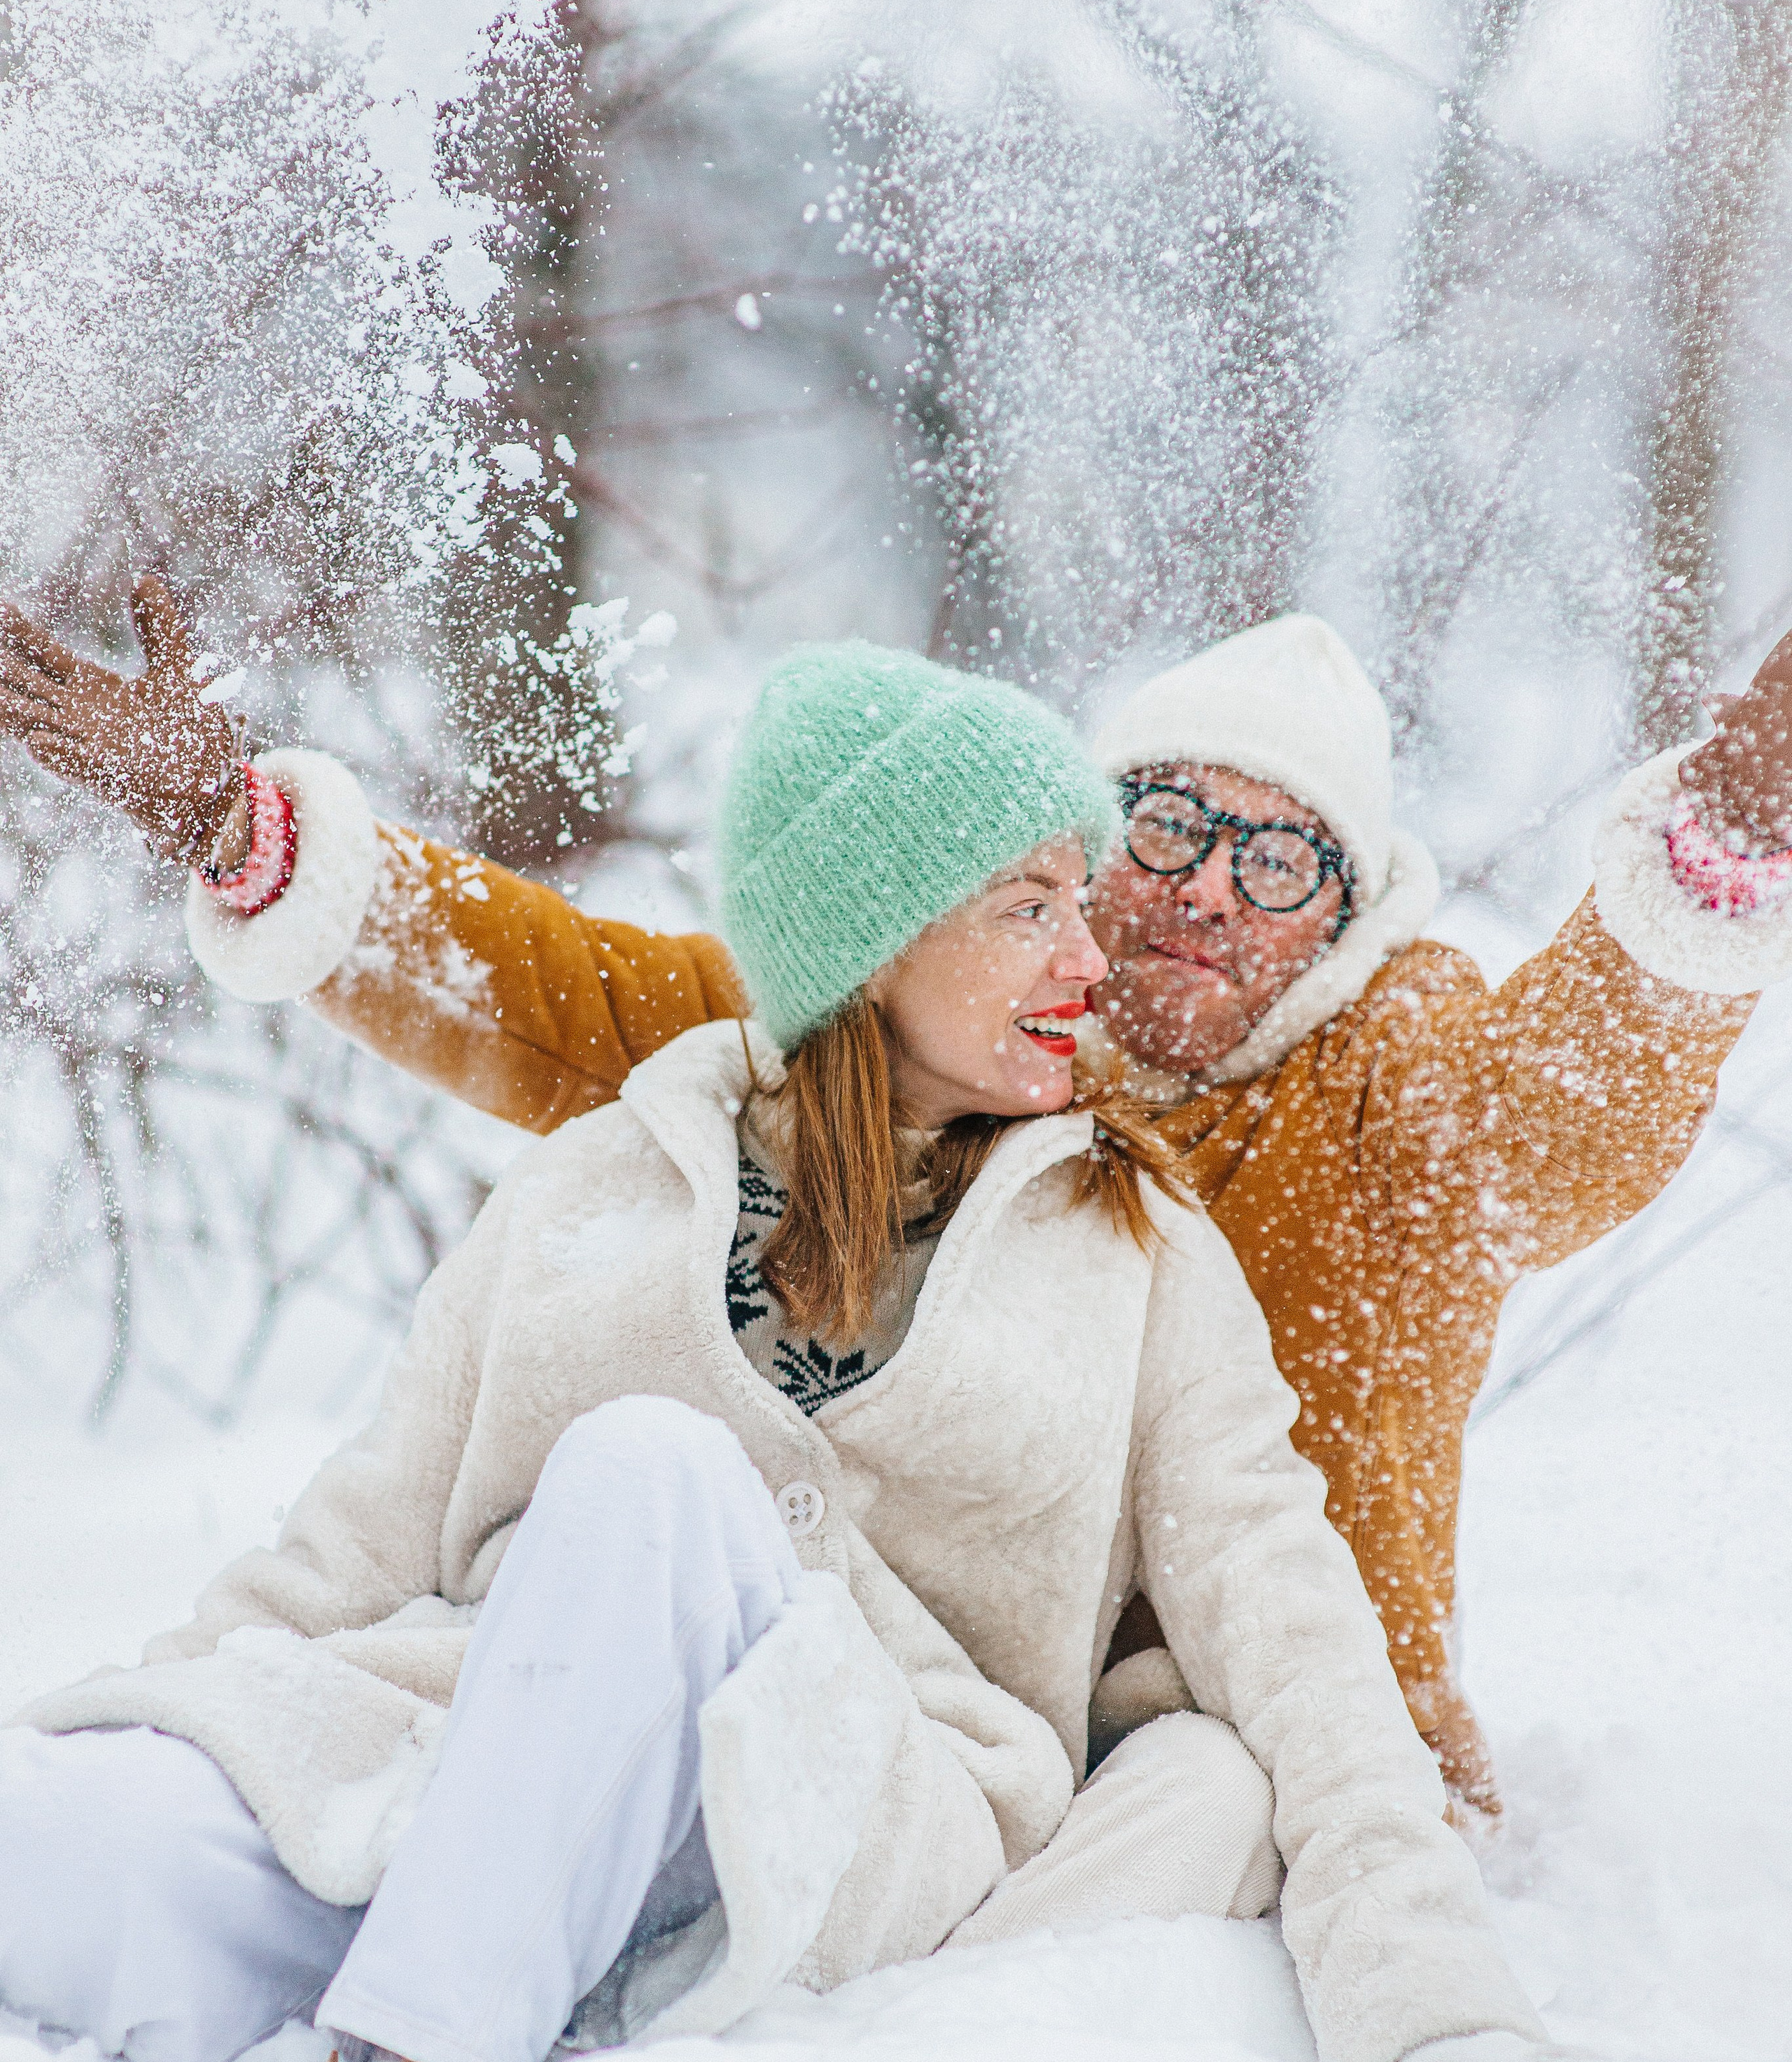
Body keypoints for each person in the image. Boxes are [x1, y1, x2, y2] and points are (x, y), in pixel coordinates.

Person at [0, 644, 1626, 2062]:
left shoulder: (1141, 1254)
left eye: (1089, 896)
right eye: (1031, 905)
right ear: (877, 938)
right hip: (511, 1779)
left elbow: (1300, 1653)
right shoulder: (605, 1179)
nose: (1100, 946)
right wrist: (169, 1718)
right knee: (62, 1843)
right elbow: (339, 1559)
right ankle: (505, 1987)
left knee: (650, 1469)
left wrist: (1432, 2015)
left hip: (871, 1816)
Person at [8, 597, 1792, 1811]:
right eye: (1163, 829)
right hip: (938, 1713)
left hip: (1265, 1757)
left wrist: (1710, 868)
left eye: (1278, 861)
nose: (1200, 896)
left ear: (1340, 914)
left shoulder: (1399, 1105)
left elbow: (1553, 1110)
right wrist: (244, 831)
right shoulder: (975, 1028)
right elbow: (577, 997)